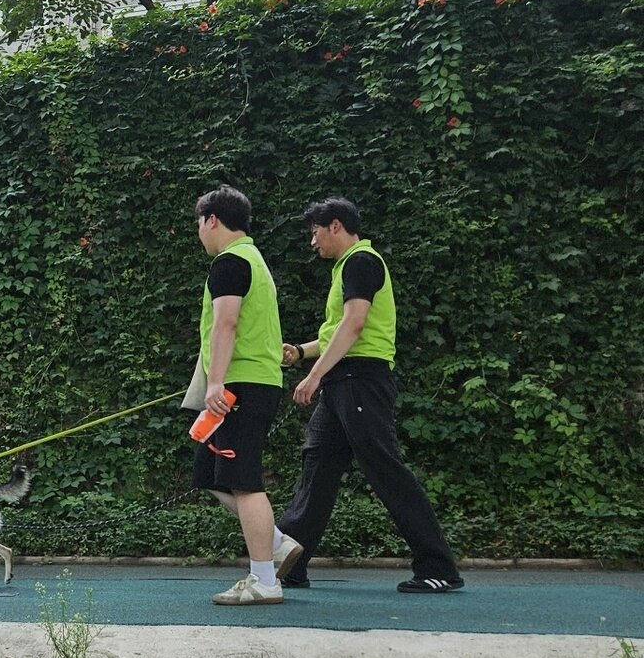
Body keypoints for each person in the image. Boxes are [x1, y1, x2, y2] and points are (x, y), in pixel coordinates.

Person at [275, 197, 463, 593]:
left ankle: (438, 567)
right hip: (345, 379)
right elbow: (338, 330)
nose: (313, 243)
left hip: (361, 380)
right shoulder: (349, 266)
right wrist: (303, 352)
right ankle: (289, 561)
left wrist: (313, 376)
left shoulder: (362, 262)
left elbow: (356, 326)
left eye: (315, 233)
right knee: (319, 465)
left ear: (336, 226)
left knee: (385, 469)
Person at [191, 186, 304, 606]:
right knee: (210, 473)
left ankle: (264, 579)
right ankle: (274, 542)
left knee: (243, 482)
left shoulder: (230, 262)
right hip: (251, 381)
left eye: (198, 224)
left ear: (212, 220)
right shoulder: (253, 260)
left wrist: (216, 384)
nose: (198, 233)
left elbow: (227, 324)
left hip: (239, 386)